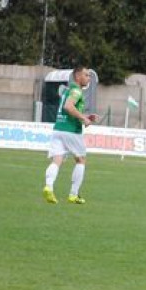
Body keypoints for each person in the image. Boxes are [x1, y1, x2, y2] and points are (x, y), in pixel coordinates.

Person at [42, 66, 97, 205]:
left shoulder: (68, 90)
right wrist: (83, 119)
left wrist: (84, 116)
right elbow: (68, 106)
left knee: (57, 160)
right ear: (77, 76)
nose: (88, 78)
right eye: (86, 75)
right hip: (71, 130)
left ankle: (48, 186)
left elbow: (69, 109)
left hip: (58, 129)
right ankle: (73, 194)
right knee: (81, 160)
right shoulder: (76, 91)